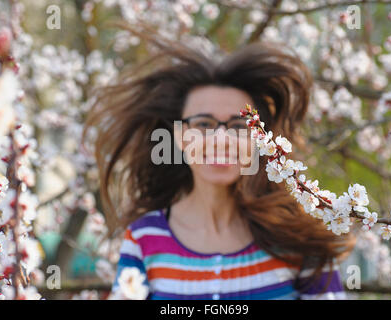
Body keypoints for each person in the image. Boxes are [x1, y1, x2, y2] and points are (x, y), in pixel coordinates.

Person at [82, 23, 355, 300]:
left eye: (238, 125)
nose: (221, 138)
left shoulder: (300, 238)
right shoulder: (144, 239)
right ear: (179, 136)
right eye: (203, 123)